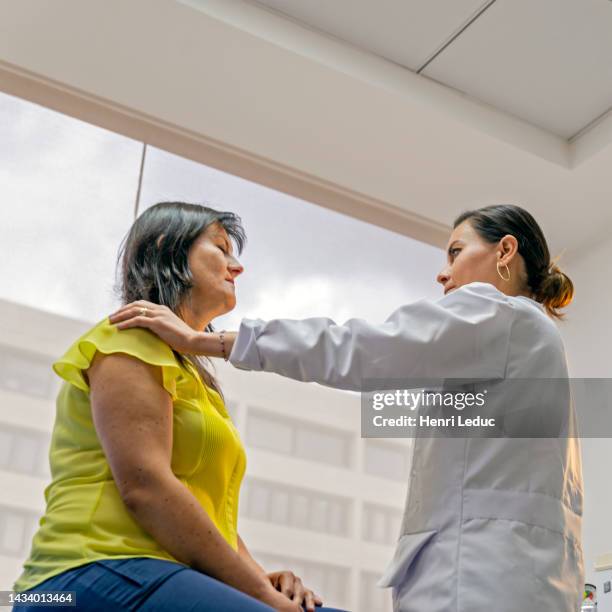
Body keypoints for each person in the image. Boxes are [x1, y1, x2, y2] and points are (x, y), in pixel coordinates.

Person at [110, 204, 584, 612]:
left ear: (504, 251)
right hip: (531, 582)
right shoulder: (538, 348)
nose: (443, 273)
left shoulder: (497, 312)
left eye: (456, 253)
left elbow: (358, 348)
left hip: (479, 580)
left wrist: (209, 341)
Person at [13, 202, 346, 612]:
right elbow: (148, 489)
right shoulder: (129, 335)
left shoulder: (194, 378)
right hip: (85, 573)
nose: (236, 267)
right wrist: (260, 595)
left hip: (164, 572)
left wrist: (261, 580)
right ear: (165, 245)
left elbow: (204, 517)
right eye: (221, 248)